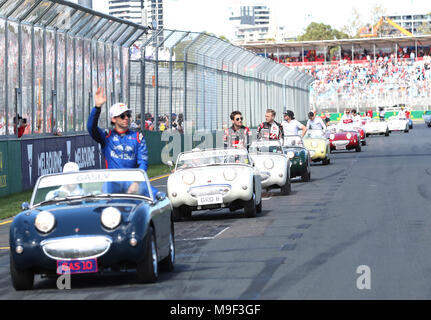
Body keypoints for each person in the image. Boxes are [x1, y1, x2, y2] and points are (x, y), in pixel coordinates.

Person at [87, 87, 158, 196]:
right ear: (113, 119)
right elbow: (91, 127)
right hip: (112, 183)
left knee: (158, 197)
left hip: (133, 181)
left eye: (128, 115)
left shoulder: (138, 137)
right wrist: (97, 107)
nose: (126, 118)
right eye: (122, 115)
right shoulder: (106, 137)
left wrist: (136, 182)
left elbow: (143, 162)